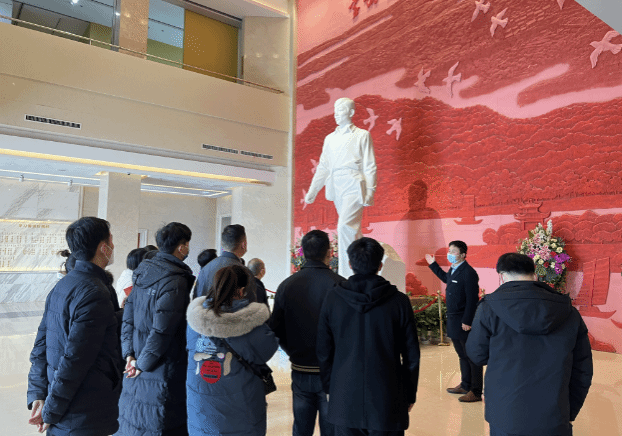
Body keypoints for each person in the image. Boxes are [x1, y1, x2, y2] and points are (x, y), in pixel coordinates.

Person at [466, 253, 593, 436]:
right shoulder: (569, 312)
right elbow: (583, 369)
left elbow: (477, 354)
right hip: (555, 414)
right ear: (534, 275)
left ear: (502, 276)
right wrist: (569, 411)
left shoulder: (488, 308)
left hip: (505, 413)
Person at [27, 217, 122, 435]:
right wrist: (50, 411)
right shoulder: (95, 292)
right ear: (104, 247)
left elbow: (40, 346)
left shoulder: (63, 285)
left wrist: (39, 394)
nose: (113, 246)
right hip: (83, 412)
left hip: (62, 405)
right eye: (111, 241)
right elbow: (75, 361)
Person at [317, 237, 420, 436]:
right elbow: (411, 355)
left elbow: (323, 350)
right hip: (387, 396)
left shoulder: (333, 299)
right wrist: (409, 394)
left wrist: (330, 387)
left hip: (344, 396)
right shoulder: (399, 301)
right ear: (380, 265)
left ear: (350, 264)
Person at [117, 222, 196, 435]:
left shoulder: (143, 272)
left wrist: (129, 355)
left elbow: (128, 317)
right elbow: (162, 331)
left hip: (137, 360)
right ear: (181, 247)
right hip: (162, 365)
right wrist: (141, 364)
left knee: (135, 418)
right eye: (187, 244)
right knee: (160, 420)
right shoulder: (175, 280)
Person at [186, 265, 278, 436]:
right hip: (241, 411)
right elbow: (268, 349)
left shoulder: (194, 321)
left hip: (201, 409)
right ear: (241, 290)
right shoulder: (251, 325)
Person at [269, 230, 344, 436]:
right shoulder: (341, 285)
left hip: (300, 368)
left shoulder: (287, 285)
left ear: (301, 252)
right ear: (330, 252)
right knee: (332, 429)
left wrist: (292, 351)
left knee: (301, 428)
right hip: (332, 372)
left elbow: (276, 328)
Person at [305, 97, 377, 278]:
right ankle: (363, 268)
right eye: (335, 111)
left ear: (351, 112)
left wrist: (370, 190)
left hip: (354, 182)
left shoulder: (362, 135)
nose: (336, 114)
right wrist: (313, 190)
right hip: (336, 185)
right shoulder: (330, 139)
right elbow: (323, 167)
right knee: (353, 230)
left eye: (341, 110)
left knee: (345, 226)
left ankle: (347, 275)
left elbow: (370, 165)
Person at [425, 240, 482, 402]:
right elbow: (446, 278)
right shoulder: (454, 269)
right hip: (453, 319)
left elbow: (472, 299)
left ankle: (476, 391)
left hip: (463, 320)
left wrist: (467, 320)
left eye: (454, 251)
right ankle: (465, 384)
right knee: (462, 354)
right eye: (449, 250)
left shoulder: (468, 272)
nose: (450, 254)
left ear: (463, 255)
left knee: (471, 356)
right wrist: (433, 264)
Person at [195, 224, 255, 301]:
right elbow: (250, 304)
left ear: (223, 244)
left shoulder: (205, 269)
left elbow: (196, 299)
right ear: (243, 244)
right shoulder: (245, 272)